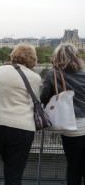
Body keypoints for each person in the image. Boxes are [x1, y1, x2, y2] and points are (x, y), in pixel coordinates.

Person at [0, 43, 41, 185]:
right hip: (22, 127)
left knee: (10, 166)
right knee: (14, 172)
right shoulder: (35, 78)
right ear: (33, 58)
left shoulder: (0, 70)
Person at [40, 43, 85, 185]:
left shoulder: (53, 74)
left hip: (70, 128)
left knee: (73, 168)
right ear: (76, 57)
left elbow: (43, 97)